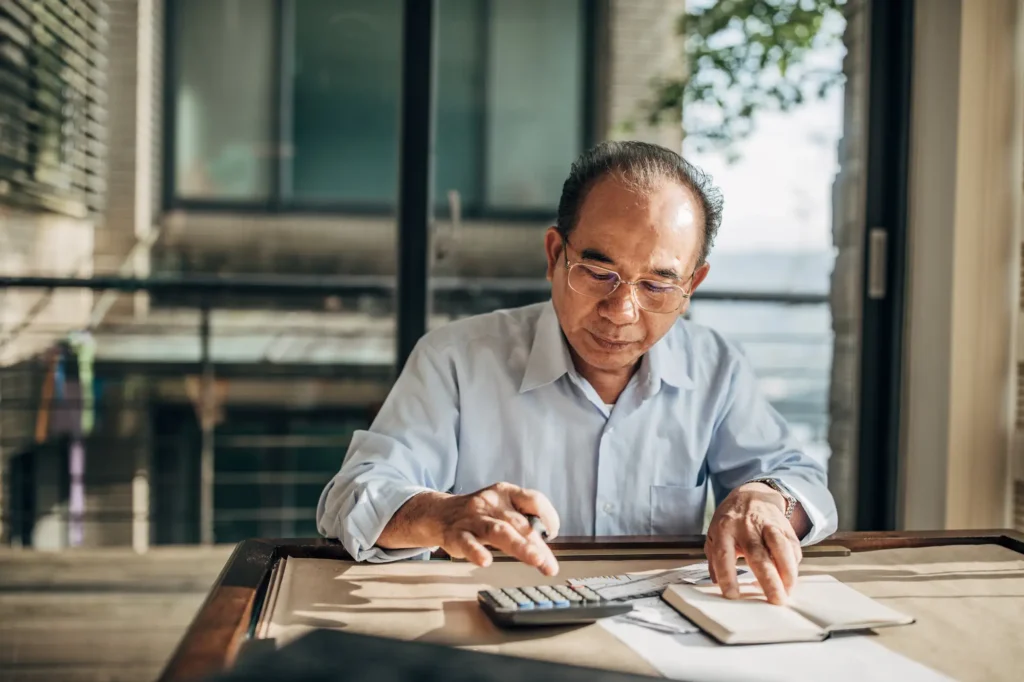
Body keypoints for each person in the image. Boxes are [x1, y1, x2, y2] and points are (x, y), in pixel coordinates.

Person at [317, 141, 837, 605]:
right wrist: (442, 514)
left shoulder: (715, 367)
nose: (622, 311)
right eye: (597, 272)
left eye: (657, 285)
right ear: (554, 255)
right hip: (492, 638)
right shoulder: (456, 358)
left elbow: (802, 480)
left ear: (692, 286)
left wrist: (769, 498)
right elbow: (352, 496)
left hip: (666, 638)